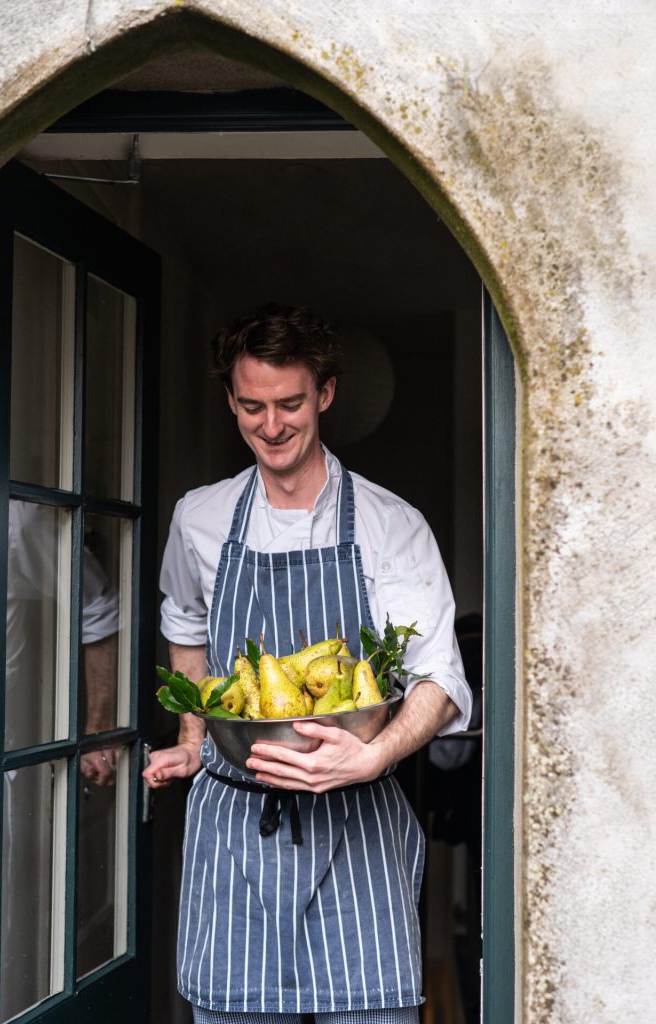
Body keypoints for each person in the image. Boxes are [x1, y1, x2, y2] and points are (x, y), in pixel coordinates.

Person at [143, 303, 472, 1024]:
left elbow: (439, 677)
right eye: (251, 406)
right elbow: (185, 627)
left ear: (325, 393)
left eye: (289, 404)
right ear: (231, 400)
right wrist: (196, 740)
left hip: (356, 830)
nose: (271, 426)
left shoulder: (392, 524)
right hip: (236, 828)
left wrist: (373, 755)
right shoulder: (199, 517)